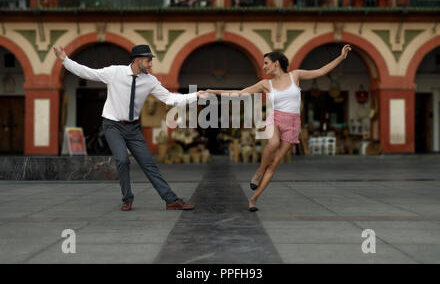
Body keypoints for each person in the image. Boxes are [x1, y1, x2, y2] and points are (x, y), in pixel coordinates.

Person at [53, 44, 206, 211]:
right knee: (122, 160)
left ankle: (171, 200)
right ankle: (127, 199)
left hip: (133, 129)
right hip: (113, 125)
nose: (150, 64)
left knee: (149, 164)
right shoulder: (115, 72)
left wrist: (195, 95)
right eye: (148, 61)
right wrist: (64, 60)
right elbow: (88, 72)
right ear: (138, 60)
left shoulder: (150, 81)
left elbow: (170, 99)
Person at [207, 44, 352, 212]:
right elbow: (240, 93)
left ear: (276, 63)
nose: (263, 66)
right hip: (275, 118)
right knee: (273, 143)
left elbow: (320, 72)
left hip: (293, 123)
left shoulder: (295, 76)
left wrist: (341, 58)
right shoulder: (265, 84)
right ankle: (259, 172)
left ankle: (253, 199)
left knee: (275, 163)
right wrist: (214, 91)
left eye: (266, 63)